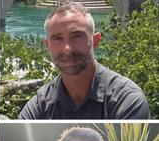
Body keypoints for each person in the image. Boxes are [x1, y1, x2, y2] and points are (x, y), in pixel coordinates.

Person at [19, 2, 150, 119]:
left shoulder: (126, 99)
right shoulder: (40, 104)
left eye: (77, 36)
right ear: (47, 45)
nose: (67, 49)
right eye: (57, 38)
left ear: (96, 41)